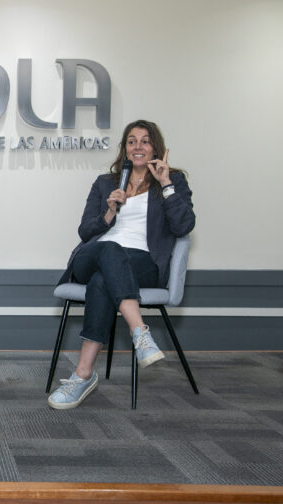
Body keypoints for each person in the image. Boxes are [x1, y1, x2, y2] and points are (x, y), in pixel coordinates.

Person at [47, 119, 195, 409]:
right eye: (131, 140)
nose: (137, 146)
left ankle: (83, 375)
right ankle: (139, 331)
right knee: (109, 250)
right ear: (124, 148)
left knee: (103, 281)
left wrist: (165, 184)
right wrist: (110, 210)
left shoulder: (173, 181)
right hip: (94, 255)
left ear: (156, 147)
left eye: (144, 140)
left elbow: (183, 226)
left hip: (141, 263)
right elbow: (86, 231)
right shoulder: (106, 183)